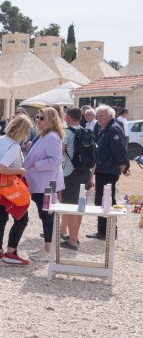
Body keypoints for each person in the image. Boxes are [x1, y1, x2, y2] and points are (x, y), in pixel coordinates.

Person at [0, 115, 34, 265]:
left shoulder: (1, 139)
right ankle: (11, 253)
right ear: (23, 130)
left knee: (1, 217)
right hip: (9, 183)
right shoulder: (15, 145)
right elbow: (3, 168)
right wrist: (20, 170)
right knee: (22, 218)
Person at [23, 107, 65, 261]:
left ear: (50, 120)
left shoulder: (52, 137)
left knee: (47, 214)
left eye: (41, 118)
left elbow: (56, 160)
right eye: (37, 117)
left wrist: (36, 165)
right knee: (45, 214)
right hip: (41, 183)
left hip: (47, 184)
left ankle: (49, 249)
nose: (38, 120)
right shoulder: (43, 135)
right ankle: (48, 247)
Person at [86, 105, 131, 240]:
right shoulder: (104, 128)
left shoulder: (113, 128)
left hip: (109, 171)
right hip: (102, 169)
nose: (98, 118)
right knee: (100, 201)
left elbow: (119, 150)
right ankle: (102, 231)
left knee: (107, 201)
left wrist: (125, 165)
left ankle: (110, 232)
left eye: (101, 116)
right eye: (97, 116)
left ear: (110, 116)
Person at [60, 107, 92, 250]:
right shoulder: (86, 132)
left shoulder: (66, 133)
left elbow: (60, 152)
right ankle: (75, 236)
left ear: (67, 117)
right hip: (85, 173)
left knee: (70, 208)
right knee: (79, 207)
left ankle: (72, 241)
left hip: (70, 172)